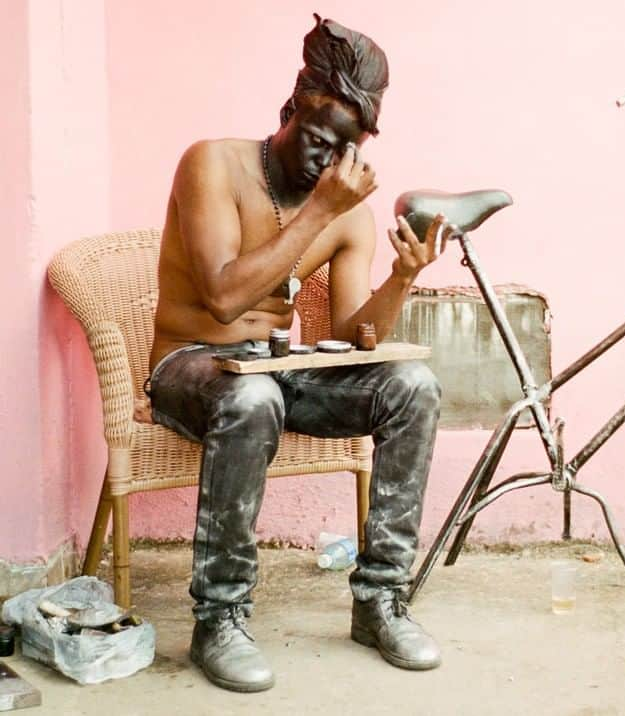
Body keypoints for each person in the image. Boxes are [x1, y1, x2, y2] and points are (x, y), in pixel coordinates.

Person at [145, 15, 446, 692]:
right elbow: (223, 297)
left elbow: (353, 337)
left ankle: (381, 602)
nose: (323, 162)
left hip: (278, 372)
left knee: (412, 386)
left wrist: (401, 278)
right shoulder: (212, 163)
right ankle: (219, 619)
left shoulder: (348, 214)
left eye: (342, 151)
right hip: (192, 365)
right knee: (249, 396)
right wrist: (318, 211)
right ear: (288, 112)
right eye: (316, 139)